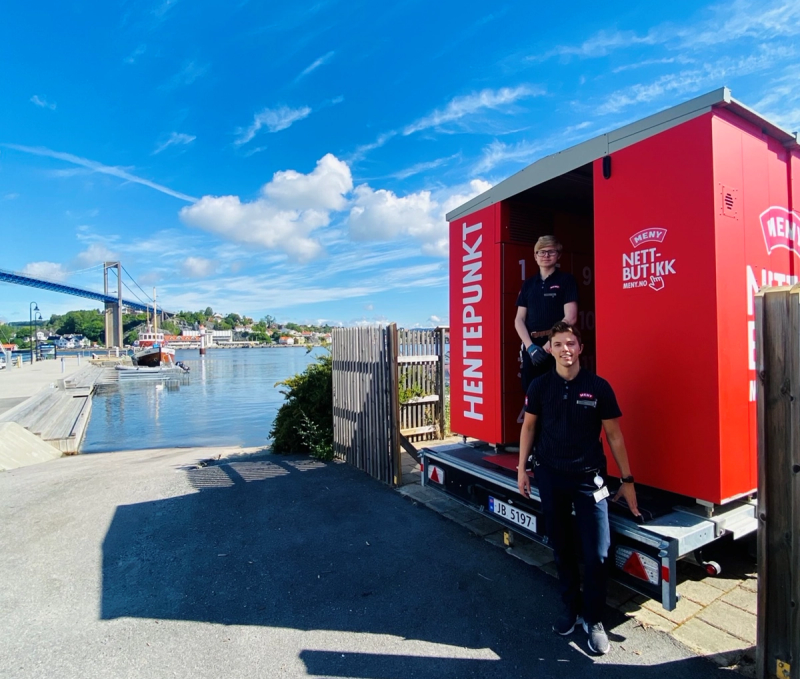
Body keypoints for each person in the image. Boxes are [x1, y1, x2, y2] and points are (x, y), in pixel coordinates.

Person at [516, 321, 640, 656]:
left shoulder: (598, 387)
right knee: (561, 547)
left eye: (571, 343)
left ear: (580, 348)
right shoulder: (540, 387)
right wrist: (522, 469)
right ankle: (570, 609)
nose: (565, 350)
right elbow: (528, 428)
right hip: (551, 476)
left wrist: (627, 481)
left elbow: (614, 436)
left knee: (597, 552)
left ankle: (594, 619)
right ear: (551, 349)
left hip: (590, 481)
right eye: (558, 344)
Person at [514, 236, 578, 393]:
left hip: (557, 347)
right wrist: (530, 348)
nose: (546, 256)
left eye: (551, 252)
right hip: (532, 350)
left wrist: (548, 346)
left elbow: (571, 317)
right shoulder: (528, 284)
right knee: (532, 397)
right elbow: (519, 320)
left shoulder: (567, 280)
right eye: (541, 252)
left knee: (557, 395)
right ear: (535, 256)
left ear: (559, 255)